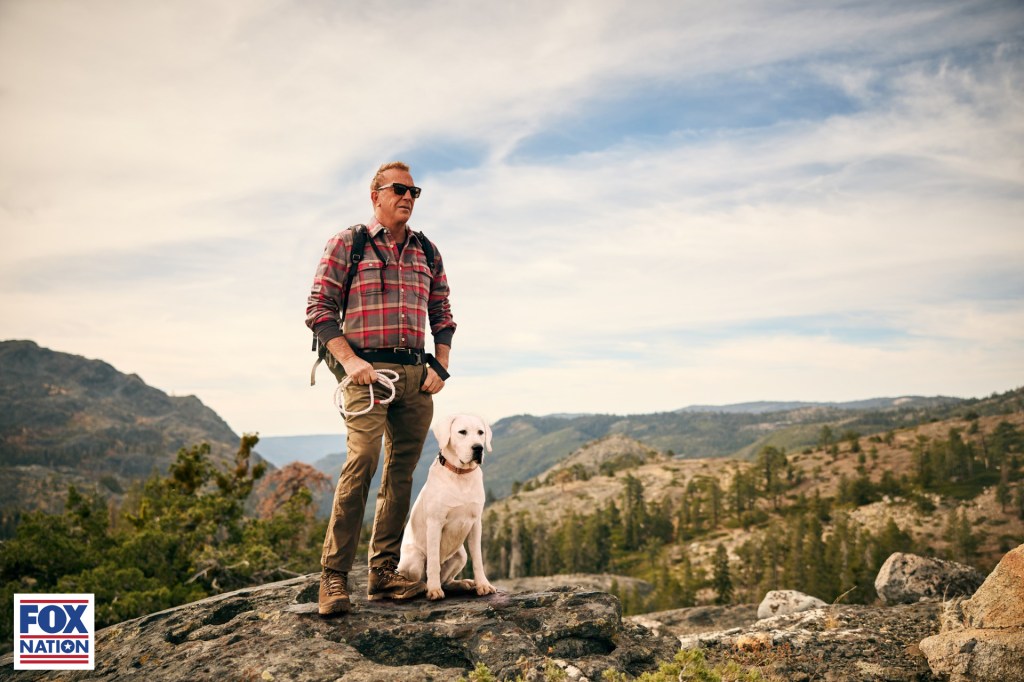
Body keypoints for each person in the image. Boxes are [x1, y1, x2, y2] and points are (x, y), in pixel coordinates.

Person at [305, 161, 456, 616]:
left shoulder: (426, 251)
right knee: (363, 459)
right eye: (399, 190)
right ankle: (333, 576)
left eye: (415, 191)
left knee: (402, 472)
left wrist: (440, 367)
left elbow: (443, 312)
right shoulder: (348, 244)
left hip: (415, 376)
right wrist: (350, 362)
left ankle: (383, 572)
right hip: (365, 374)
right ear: (376, 196)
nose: (408, 197)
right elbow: (318, 309)